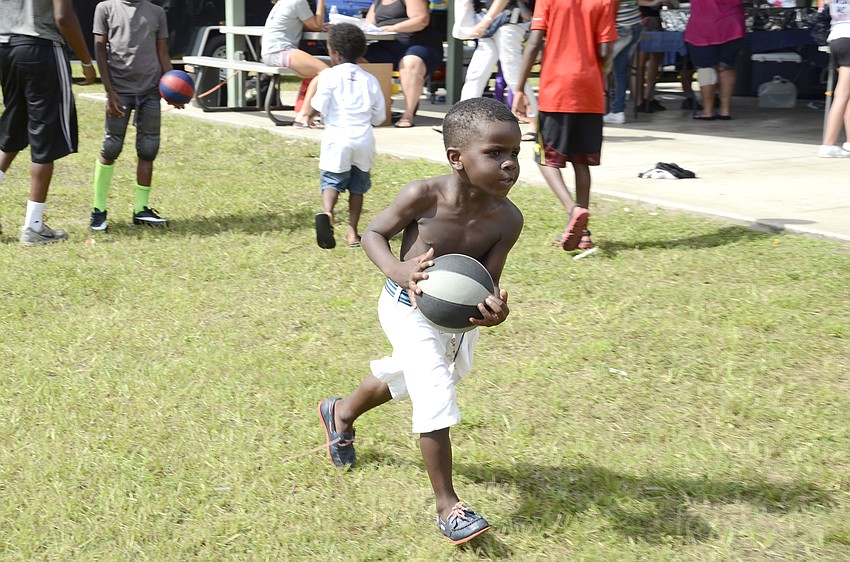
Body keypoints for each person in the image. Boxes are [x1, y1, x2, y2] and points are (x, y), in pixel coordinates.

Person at [317, 97, 523, 545]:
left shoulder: (508, 219)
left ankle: (341, 411)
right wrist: (399, 270)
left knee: (409, 374)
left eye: (515, 154)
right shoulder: (423, 195)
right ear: (457, 159)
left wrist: (493, 313)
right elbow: (374, 234)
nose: (509, 165)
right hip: (405, 304)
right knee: (433, 390)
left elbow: (488, 282)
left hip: (453, 317)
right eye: (494, 153)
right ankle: (449, 506)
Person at [512, 0, 615, 252]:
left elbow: (534, 43)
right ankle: (585, 233)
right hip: (590, 90)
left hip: (557, 88)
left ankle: (573, 210)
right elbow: (605, 51)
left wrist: (518, 88)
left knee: (544, 158)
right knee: (581, 161)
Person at [0, 0, 96, 246]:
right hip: (40, 47)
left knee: (12, 132)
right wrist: (86, 61)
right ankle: (33, 227)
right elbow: (63, 17)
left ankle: (34, 226)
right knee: (45, 137)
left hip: (5, 48)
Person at [89, 0, 177, 232]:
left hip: (150, 90)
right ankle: (98, 211)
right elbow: (100, 48)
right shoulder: (105, 8)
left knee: (148, 148)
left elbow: (162, 52)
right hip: (120, 91)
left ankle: (141, 209)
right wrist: (109, 90)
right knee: (111, 147)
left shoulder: (156, 12)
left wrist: (174, 86)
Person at [310, 23, 386, 249]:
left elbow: (319, 103)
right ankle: (352, 232)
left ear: (334, 52)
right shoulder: (369, 79)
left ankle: (328, 213)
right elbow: (379, 116)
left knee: (332, 181)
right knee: (358, 187)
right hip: (363, 139)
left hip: (337, 137)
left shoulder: (329, 76)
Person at [433, 0, 539, 141]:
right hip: (491, 23)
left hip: (508, 21)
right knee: (476, 75)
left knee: (514, 74)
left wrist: (485, 22)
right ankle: (460, 122)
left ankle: (535, 124)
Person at [363, 0, 443, 128]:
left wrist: (394, 28)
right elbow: (366, 25)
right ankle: (381, 104)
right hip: (386, 46)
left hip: (418, 44)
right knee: (358, 60)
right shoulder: (377, 2)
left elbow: (421, 19)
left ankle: (409, 114)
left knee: (409, 63)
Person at [260, 0, 329, 128]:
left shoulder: (285, 2)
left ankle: (313, 113)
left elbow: (307, 24)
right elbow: (316, 26)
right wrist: (321, 2)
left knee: (326, 69)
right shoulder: (299, 1)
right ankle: (303, 115)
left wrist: (319, 25)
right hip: (281, 51)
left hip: (271, 52)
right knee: (327, 73)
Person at [684, 0, 745, 121]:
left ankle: (707, 111)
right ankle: (725, 110)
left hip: (703, 23)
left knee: (706, 68)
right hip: (732, 22)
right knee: (726, 66)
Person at [818, 0, 850, 157]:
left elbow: (821, 12)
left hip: (836, 38)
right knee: (842, 95)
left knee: (846, 94)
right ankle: (828, 145)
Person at [604, 0, 643, 124]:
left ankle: (593, 109)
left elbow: (609, 8)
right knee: (620, 71)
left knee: (599, 68)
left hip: (621, 26)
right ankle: (617, 111)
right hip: (635, 24)